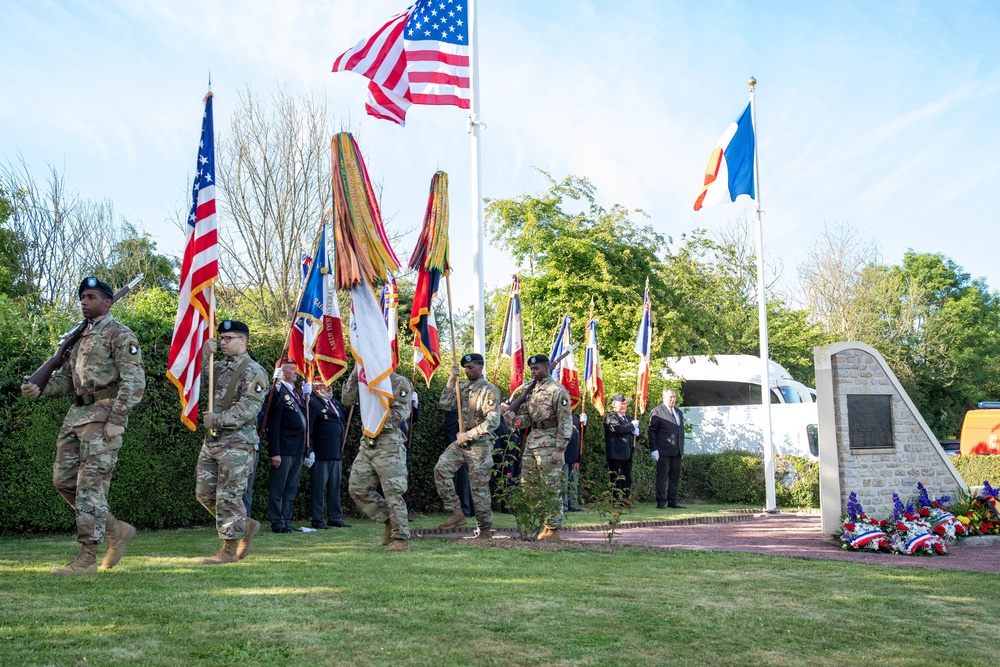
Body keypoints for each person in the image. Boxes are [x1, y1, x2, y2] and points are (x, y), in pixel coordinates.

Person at [20, 277, 146, 576]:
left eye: (91, 297)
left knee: (91, 486)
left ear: (108, 301)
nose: (84, 301)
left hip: (103, 415)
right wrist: (42, 389)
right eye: (82, 297)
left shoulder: (120, 334)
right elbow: (66, 381)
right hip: (76, 416)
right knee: (64, 481)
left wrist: (117, 418)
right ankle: (116, 529)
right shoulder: (79, 338)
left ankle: (87, 558)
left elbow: (135, 382)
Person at [195, 320, 269, 564]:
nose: (223, 342)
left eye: (228, 338)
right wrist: (205, 354)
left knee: (229, 497)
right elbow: (200, 378)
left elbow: (248, 408)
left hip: (238, 443)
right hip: (213, 442)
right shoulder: (219, 366)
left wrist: (217, 419)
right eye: (221, 338)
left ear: (243, 340)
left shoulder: (253, 370)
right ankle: (244, 525)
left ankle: (228, 552)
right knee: (204, 494)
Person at [501, 354, 572, 540]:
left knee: (550, 485)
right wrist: (511, 418)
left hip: (550, 442)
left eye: (536, 368)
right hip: (533, 441)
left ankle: (553, 529)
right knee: (529, 484)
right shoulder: (531, 390)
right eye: (531, 369)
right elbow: (527, 418)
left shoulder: (558, 391)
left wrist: (560, 449)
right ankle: (542, 522)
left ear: (547, 368)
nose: (533, 372)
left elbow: (565, 422)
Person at [343, 365, 413, 552]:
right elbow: (347, 399)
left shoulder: (399, 382)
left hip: (389, 443)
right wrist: (356, 372)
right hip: (367, 443)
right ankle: (389, 520)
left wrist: (375, 422)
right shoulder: (364, 380)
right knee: (357, 488)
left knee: (393, 493)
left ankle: (401, 540)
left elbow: (401, 413)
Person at [434, 353, 501, 538]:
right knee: (441, 469)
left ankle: (485, 529)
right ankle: (456, 512)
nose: (467, 371)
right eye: (465, 368)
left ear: (480, 367)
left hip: (480, 444)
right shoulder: (461, 387)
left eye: (470, 367)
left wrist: (469, 435)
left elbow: (493, 422)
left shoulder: (489, 390)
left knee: (478, 489)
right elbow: (445, 404)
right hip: (462, 442)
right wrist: (451, 379)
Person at [265, 359, 307, 533]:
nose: (296, 372)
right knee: (279, 487)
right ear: (281, 372)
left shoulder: (295, 393)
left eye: (295, 368)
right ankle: (277, 522)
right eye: (291, 369)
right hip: (284, 448)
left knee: (291, 487)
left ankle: (287, 520)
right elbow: (272, 423)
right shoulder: (278, 391)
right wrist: (275, 452)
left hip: (297, 448)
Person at [308, 381, 350, 529]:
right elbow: (309, 429)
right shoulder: (313, 403)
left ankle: (335, 517)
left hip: (336, 452)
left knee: (334, 487)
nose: (329, 387)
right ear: (316, 387)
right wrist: (310, 450)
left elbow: (347, 416)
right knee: (319, 488)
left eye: (330, 384)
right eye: (325, 384)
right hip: (321, 452)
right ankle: (318, 519)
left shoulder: (335, 403)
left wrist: (355, 403)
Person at [648, 388, 686, 509]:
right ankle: (661, 502)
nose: (673, 399)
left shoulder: (678, 412)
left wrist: (681, 448)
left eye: (674, 397)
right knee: (662, 477)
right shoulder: (657, 411)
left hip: (677, 450)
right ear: (664, 397)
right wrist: (654, 449)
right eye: (670, 397)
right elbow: (652, 431)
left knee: (674, 477)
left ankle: (672, 501)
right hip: (663, 450)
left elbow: (680, 432)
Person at [604, 394, 639, 503]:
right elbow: (617, 429)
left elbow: (633, 436)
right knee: (617, 478)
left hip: (628, 453)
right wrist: (631, 426)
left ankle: (625, 499)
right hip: (616, 453)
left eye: (625, 404)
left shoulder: (628, 418)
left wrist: (637, 433)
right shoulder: (610, 417)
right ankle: (615, 500)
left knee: (627, 478)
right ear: (614, 405)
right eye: (620, 405)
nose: (623, 407)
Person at [443, 408, 474, 517]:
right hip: (461, 450)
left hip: (474, 450)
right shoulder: (455, 410)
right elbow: (450, 432)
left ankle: (473, 509)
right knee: (463, 479)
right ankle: (464, 508)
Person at [563, 414, 583, 511]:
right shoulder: (561, 416)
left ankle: (574, 505)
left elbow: (581, 436)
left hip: (575, 455)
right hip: (564, 454)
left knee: (574, 482)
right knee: (564, 482)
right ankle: (564, 505)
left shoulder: (575, 417)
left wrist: (584, 425)